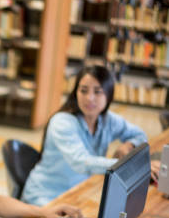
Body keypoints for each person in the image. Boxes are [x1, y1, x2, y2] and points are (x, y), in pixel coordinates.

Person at [22, 65, 157, 206]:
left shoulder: (108, 120)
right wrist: (129, 165)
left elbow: (139, 134)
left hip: (79, 192)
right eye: (83, 91)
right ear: (76, 92)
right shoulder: (62, 122)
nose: (89, 98)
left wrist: (129, 145)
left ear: (109, 95)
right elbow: (81, 162)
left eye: (98, 92)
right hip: (46, 196)